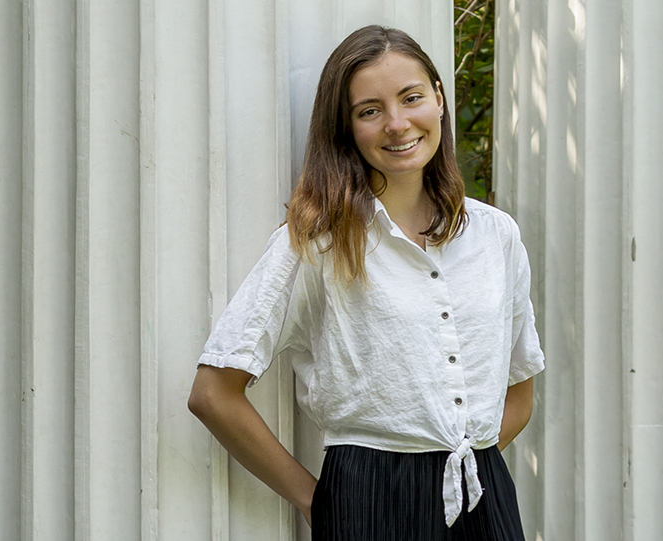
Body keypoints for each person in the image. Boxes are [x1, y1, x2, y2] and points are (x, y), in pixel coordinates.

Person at [187, 24, 544, 541]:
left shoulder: (496, 235)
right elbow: (213, 393)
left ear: (439, 100)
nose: (397, 124)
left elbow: (520, 391)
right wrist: (318, 499)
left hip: (482, 496)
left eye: (412, 98)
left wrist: (459, 458)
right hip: (366, 500)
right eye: (370, 110)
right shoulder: (317, 242)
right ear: (347, 127)